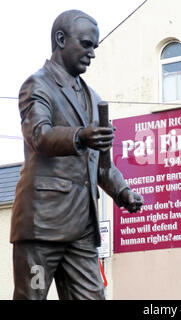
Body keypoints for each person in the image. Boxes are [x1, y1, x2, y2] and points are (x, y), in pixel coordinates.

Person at [10, 10, 143, 300]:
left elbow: (102, 166)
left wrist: (123, 192)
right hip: (42, 226)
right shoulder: (38, 85)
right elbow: (39, 135)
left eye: (95, 46)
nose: (92, 53)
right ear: (60, 39)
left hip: (82, 227)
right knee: (31, 297)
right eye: (86, 44)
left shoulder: (95, 99)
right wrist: (81, 135)